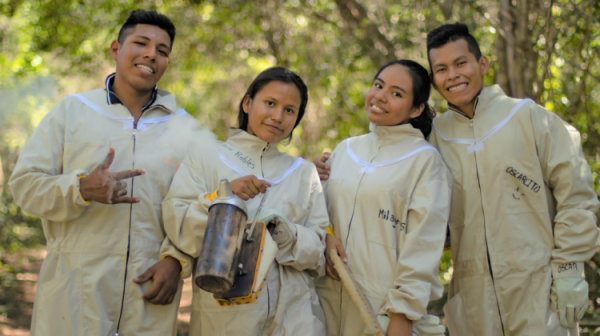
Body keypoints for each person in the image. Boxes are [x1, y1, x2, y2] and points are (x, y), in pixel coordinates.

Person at [316, 23, 600, 336]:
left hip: (540, 289)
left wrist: (570, 267)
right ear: (434, 80)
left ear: (483, 63)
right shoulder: (432, 140)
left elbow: (576, 196)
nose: (452, 75)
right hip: (472, 298)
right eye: (441, 69)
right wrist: (326, 171)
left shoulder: (530, 118)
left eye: (461, 63)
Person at [9, 10, 208, 336]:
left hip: (149, 291)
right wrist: (82, 188)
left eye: (162, 50)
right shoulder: (72, 112)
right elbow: (24, 186)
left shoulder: (184, 129)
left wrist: (176, 261)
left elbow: (200, 205)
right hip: (76, 289)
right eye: (141, 43)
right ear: (116, 49)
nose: (150, 54)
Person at [160, 66, 329, 335]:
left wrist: (284, 231)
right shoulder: (207, 158)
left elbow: (319, 253)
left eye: (289, 110)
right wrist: (224, 200)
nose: (277, 116)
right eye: (270, 103)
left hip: (295, 319)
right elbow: (179, 225)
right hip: (226, 318)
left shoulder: (303, 172)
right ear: (248, 103)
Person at [315, 60, 451, 336]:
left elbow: (423, 246)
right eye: (378, 85)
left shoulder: (424, 161)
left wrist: (402, 315)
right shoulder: (346, 149)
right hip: (323, 303)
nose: (380, 96)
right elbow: (319, 215)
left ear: (417, 109)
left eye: (397, 93)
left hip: (380, 312)